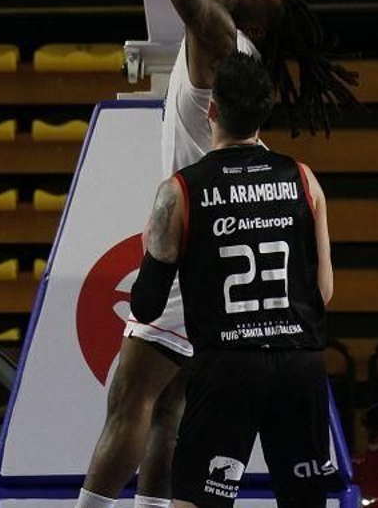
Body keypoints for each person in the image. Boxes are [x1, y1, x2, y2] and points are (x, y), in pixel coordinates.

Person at [75, 0, 357, 508]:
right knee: (170, 407)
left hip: (200, 244)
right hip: (232, 263)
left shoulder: (217, 36)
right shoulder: (237, 30)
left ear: (255, 24)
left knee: (131, 397)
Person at [130, 51, 338, 508]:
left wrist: (154, 246)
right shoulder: (304, 179)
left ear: (211, 110)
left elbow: (145, 306)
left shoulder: (179, 191)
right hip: (299, 366)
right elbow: (322, 292)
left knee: (196, 500)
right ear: (263, 114)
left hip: (227, 367)